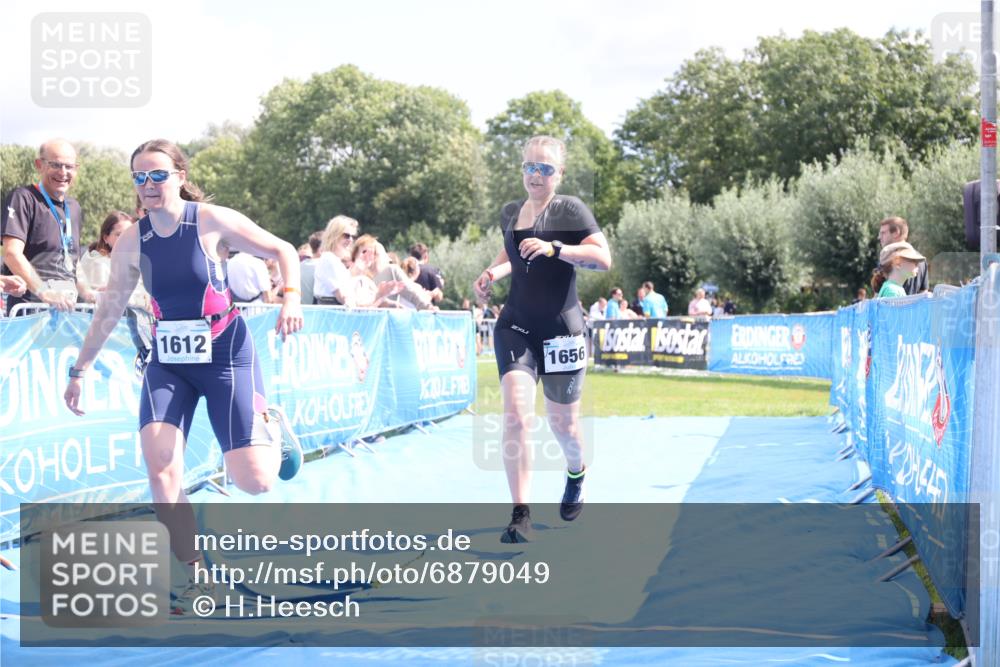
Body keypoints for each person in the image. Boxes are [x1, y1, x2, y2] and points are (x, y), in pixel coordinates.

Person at [62, 138, 305, 614]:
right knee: (160, 464)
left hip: (225, 352)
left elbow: (282, 248)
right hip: (169, 358)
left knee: (255, 481)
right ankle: (198, 577)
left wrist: (292, 295)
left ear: (179, 175)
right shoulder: (132, 240)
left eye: (157, 175)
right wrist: (79, 369)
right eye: (139, 178)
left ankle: (270, 427)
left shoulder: (209, 221)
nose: (148, 186)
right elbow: (110, 307)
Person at [473, 135, 612, 543]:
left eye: (545, 168)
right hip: (516, 324)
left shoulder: (570, 210)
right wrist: (490, 275)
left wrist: (556, 248)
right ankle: (520, 513)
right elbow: (512, 255)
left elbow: (603, 259)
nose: (536, 175)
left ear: (559, 173)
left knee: (564, 425)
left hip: (562, 329)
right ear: (522, 170)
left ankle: (576, 472)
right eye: (530, 167)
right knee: (516, 414)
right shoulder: (511, 212)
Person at [1, 138, 90, 315]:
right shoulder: (23, 197)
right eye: (55, 165)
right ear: (39, 165)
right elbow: (12, 254)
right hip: (31, 310)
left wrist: (88, 292)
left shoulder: (74, 207)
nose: (63, 172)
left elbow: (74, 261)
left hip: (67, 310)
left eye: (69, 166)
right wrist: (44, 292)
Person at [77, 211, 154, 367]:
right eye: (119, 234)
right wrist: (141, 298)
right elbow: (113, 297)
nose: (125, 238)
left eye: (129, 234)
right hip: (106, 336)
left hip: (133, 333)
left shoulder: (138, 259)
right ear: (106, 237)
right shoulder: (95, 260)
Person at [877, 216, 928, 295]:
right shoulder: (921, 260)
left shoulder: (886, 259)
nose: (879, 237)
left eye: (883, 233)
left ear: (896, 232)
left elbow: (877, 298)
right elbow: (923, 293)